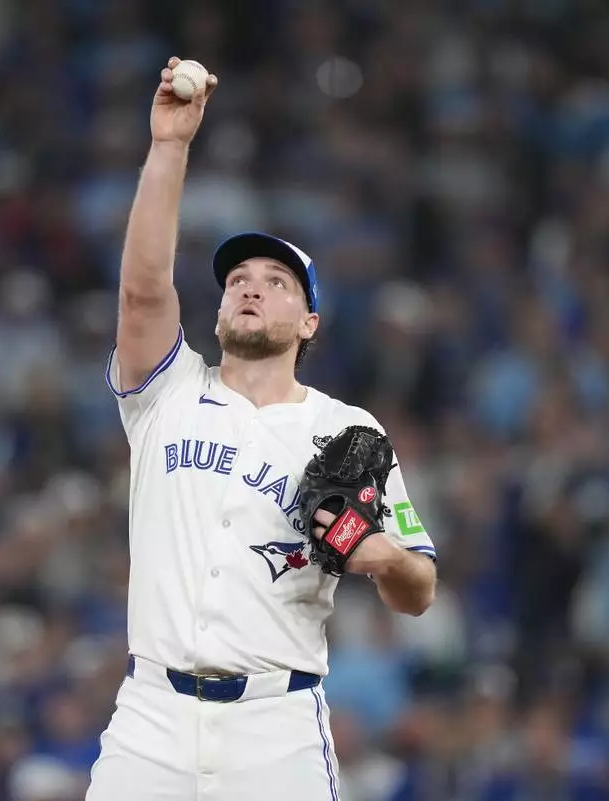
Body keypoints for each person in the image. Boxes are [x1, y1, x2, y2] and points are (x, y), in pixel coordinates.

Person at [84, 57, 438, 801]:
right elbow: (143, 287)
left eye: (276, 282)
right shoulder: (166, 392)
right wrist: (170, 146)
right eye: (238, 278)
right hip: (151, 716)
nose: (250, 285)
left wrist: (382, 557)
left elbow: (421, 587)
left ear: (308, 321)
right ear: (218, 309)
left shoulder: (348, 430)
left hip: (276, 727)